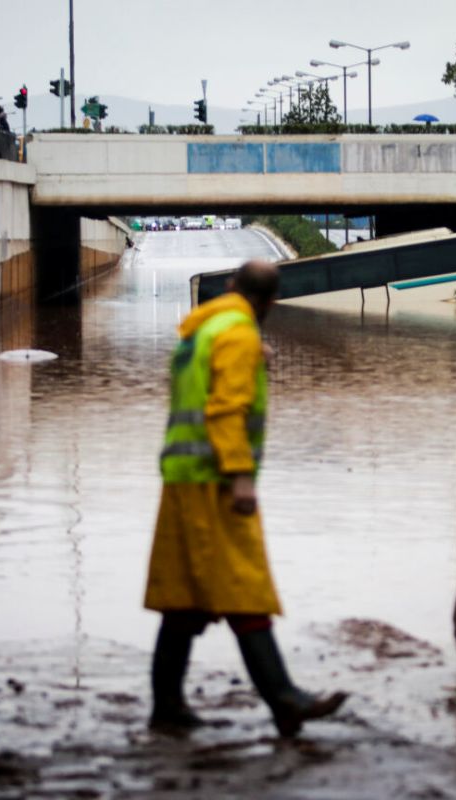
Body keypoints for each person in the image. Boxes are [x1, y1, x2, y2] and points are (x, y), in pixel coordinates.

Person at [144, 260, 346, 737]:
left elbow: (198, 388)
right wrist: (240, 479)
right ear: (271, 303)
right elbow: (225, 411)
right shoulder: (238, 336)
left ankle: (168, 708)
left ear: (233, 287)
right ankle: (284, 700)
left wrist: (256, 356)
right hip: (214, 481)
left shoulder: (207, 328)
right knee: (244, 586)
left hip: (183, 478)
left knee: (186, 599)